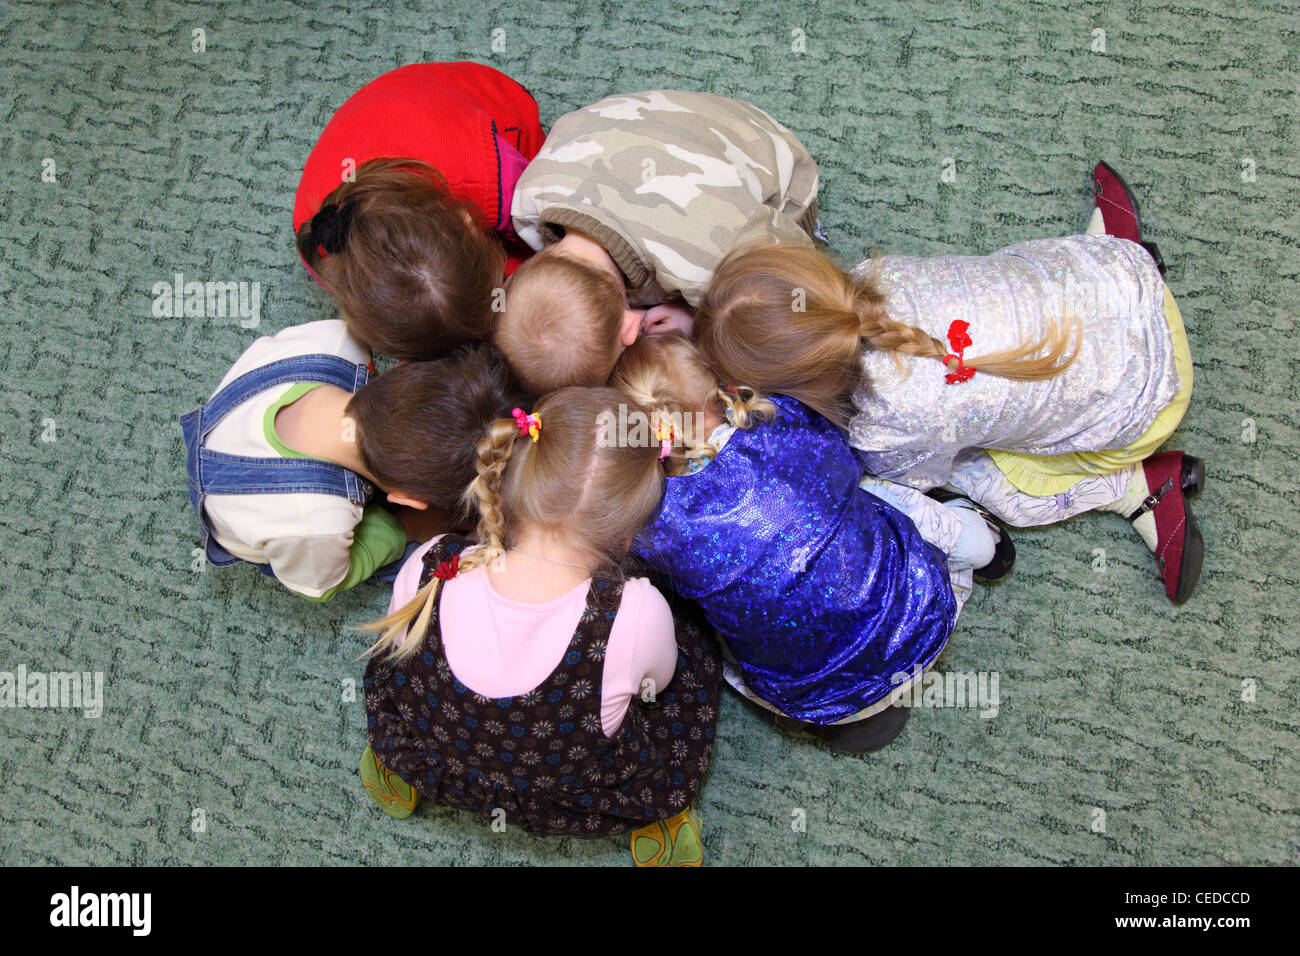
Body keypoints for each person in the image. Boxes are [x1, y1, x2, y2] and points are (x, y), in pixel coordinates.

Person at [694, 163, 1204, 603]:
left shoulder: (879, 428)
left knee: (989, 480)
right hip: (1120, 278)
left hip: (1148, 403)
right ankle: (1109, 243)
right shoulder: (877, 274)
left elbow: (920, 478)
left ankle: (1132, 486)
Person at [359, 388, 722, 866]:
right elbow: (660, 681)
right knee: (691, 653)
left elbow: (400, 639)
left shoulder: (436, 560)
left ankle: (398, 768)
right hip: (564, 790)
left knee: (402, 674)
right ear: (631, 532)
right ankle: (661, 815)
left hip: (437, 751)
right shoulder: (635, 612)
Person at [610, 334, 1007, 752]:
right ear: (718, 382)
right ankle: (974, 537)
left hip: (820, 690)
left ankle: (848, 717)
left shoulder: (656, 525)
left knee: (717, 630)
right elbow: (847, 462)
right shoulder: (783, 419)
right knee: (870, 494)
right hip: (916, 605)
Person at [497, 89, 821, 393]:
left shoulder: (700, 261)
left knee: (750, 318)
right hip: (625, 120)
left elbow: (795, 267)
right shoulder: (527, 202)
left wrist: (701, 319)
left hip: (765, 149)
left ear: (629, 330)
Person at [180, 321, 518, 599]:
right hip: (242, 512)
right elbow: (322, 585)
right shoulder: (316, 525)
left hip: (237, 409)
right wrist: (406, 527)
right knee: (420, 560)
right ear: (405, 501)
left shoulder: (341, 340)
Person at [294, 62, 546, 359]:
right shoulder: (319, 240)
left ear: (469, 222)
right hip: (381, 115)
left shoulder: (491, 174)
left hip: (484, 100)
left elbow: (547, 222)